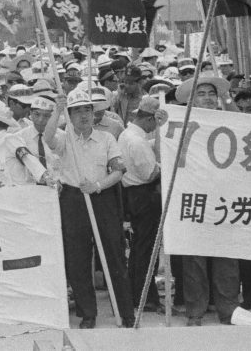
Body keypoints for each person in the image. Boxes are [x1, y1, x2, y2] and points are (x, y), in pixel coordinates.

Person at [44, 89, 134, 329]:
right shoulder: (64, 138)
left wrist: (97, 186)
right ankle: (87, 313)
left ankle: (125, 311)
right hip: (73, 199)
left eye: (87, 110)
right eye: (76, 111)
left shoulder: (107, 138)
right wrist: (57, 110)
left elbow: (118, 171)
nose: (83, 115)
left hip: (102, 196)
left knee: (113, 252)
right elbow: (47, 137)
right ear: (70, 115)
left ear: (94, 113)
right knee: (77, 257)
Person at [174, 74, 240, 326]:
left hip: (225, 197)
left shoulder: (228, 120)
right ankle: (195, 311)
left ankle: (228, 309)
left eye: (212, 93)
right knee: (194, 259)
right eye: (201, 94)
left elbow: (244, 125)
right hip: (193, 197)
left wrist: (228, 99)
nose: (208, 98)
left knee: (226, 258)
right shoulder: (181, 123)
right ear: (191, 100)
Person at [119, 95, 165, 314]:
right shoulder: (137, 141)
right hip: (144, 195)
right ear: (149, 119)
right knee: (146, 248)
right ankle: (144, 296)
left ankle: (139, 293)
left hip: (134, 194)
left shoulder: (128, 135)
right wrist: (162, 165)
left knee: (141, 247)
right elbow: (150, 173)